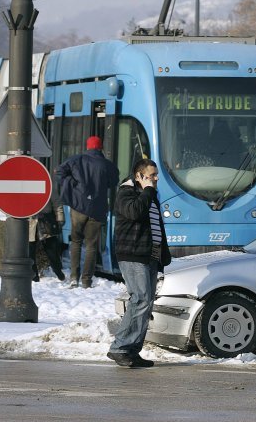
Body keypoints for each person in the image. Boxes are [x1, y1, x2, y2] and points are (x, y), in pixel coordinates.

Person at [107, 158, 172, 368]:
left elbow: (156, 226)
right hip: (133, 254)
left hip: (149, 255)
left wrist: (164, 253)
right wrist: (147, 191)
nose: (155, 179)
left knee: (146, 302)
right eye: (151, 175)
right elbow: (135, 212)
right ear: (139, 176)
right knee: (141, 299)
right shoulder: (126, 193)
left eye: (156, 175)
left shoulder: (149, 195)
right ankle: (120, 347)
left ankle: (132, 350)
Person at [56, 136, 119, 288]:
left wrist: (71, 185)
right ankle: (86, 280)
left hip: (78, 207)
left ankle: (73, 277)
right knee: (91, 245)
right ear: (100, 148)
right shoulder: (107, 164)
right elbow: (114, 182)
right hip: (97, 209)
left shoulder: (76, 160)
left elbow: (59, 172)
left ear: (88, 146)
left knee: (76, 242)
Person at [28, 192, 66, 282]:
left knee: (52, 251)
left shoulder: (47, 181)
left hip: (46, 221)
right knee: (30, 251)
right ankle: (34, 277)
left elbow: (56, 202)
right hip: (30, 222)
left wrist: (60, 218)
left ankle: (58, 271)